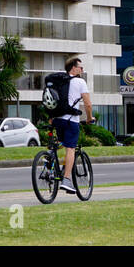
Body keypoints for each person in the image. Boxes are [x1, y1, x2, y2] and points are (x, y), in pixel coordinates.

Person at [52, 55, 92, 193]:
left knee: (60, 144)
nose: (82, 70)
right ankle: (67, 179)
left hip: (57, 119)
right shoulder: (80, 82)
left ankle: (50, 162)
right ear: (73, 68)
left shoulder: (58, 81)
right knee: (70, 148)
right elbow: (87, 103)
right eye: (81, 67)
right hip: (71, 120)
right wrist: (89, 118)